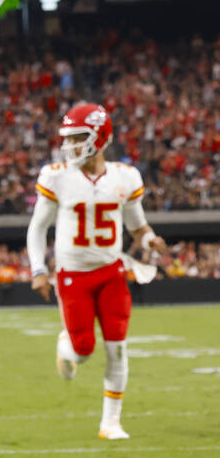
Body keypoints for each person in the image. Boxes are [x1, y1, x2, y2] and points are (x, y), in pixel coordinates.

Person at [27, 102, 167, 440]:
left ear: (100, 137)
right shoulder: (57, 177)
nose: (70, 145)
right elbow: (37, 227)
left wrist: (150, 242)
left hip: (111, 272)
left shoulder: (124, 176)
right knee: (84, 350)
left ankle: (111, 423)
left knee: (117, 346)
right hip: (73, 275)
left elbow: (138, 227)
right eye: (68, 138)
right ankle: (67, 346)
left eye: (78, 137)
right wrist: (38, 270)